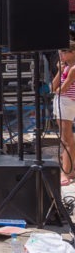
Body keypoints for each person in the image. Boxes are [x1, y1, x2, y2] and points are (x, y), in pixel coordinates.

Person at [53, 43, 75, 185]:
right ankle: (70, 170)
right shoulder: (65, 67)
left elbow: (60, 89)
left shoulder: (72, 68)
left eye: (64, 52)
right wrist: (59, 71)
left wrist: (56, 89)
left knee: (66, 139)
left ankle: (65, 173)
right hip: (64, 101)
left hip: (65, 101)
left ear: (72, 52)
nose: (61, 55)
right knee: (68, 139)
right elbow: (53, 86)